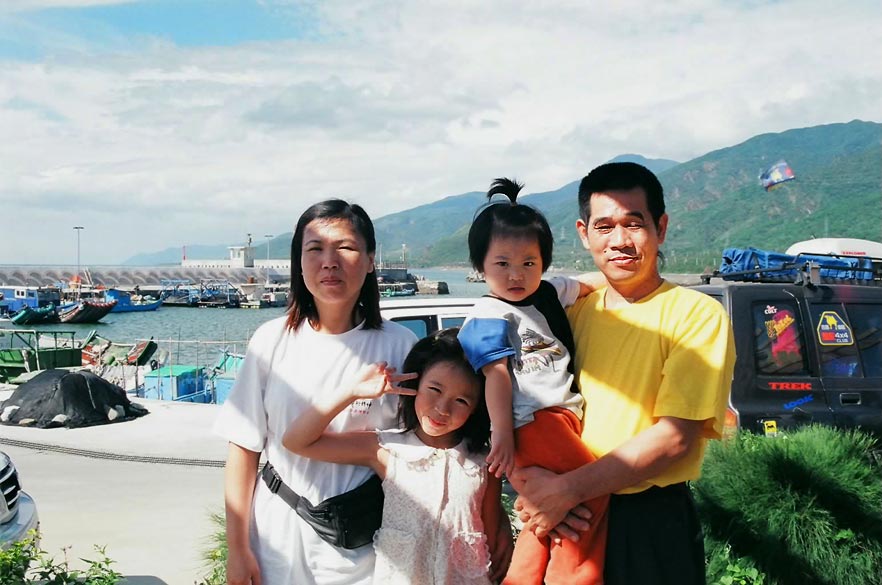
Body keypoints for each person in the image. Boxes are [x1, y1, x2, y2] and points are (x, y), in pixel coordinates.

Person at [511, 162, 737, 585]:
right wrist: (529, 480)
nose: (619, 241)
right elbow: (517, 400)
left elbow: (674, 437)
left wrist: (566, 490)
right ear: (584, 233)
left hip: (646, 521)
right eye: (604, 227)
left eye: (634, 224)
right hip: (568, 515)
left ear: (660, 228)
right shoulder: (568, 313)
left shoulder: (695, 314)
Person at [213, 199, 418, 585]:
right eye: (315, 249)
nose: (329, 262)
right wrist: (238, 550)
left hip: (365, 546)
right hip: (275, 540)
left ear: (370, 260)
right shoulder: (270, 342)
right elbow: (243, 449)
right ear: (299, 261)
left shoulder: (401, 347)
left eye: (345, 247)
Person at [456, 178, 608, 585]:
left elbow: (591, 283)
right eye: (502, 264)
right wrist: (503, 434)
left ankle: (521, 577)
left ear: (543, 262)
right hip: (532, 422)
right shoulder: (487, 315)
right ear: (480, 267)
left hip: (560, 419)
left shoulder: (547, 293)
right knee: (590, 491)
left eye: (529, 263)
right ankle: (572, 578)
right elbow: (496, 377)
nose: (516, 275)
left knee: (547, 505)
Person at [282, 328, 506, 585]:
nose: (442, 409)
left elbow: (490, 536)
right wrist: (352, 392)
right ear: (416, 384)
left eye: (461, 401)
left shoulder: (484, 462)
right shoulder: (387, 449)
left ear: (477, 408)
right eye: (435, 389)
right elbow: (297, 441)